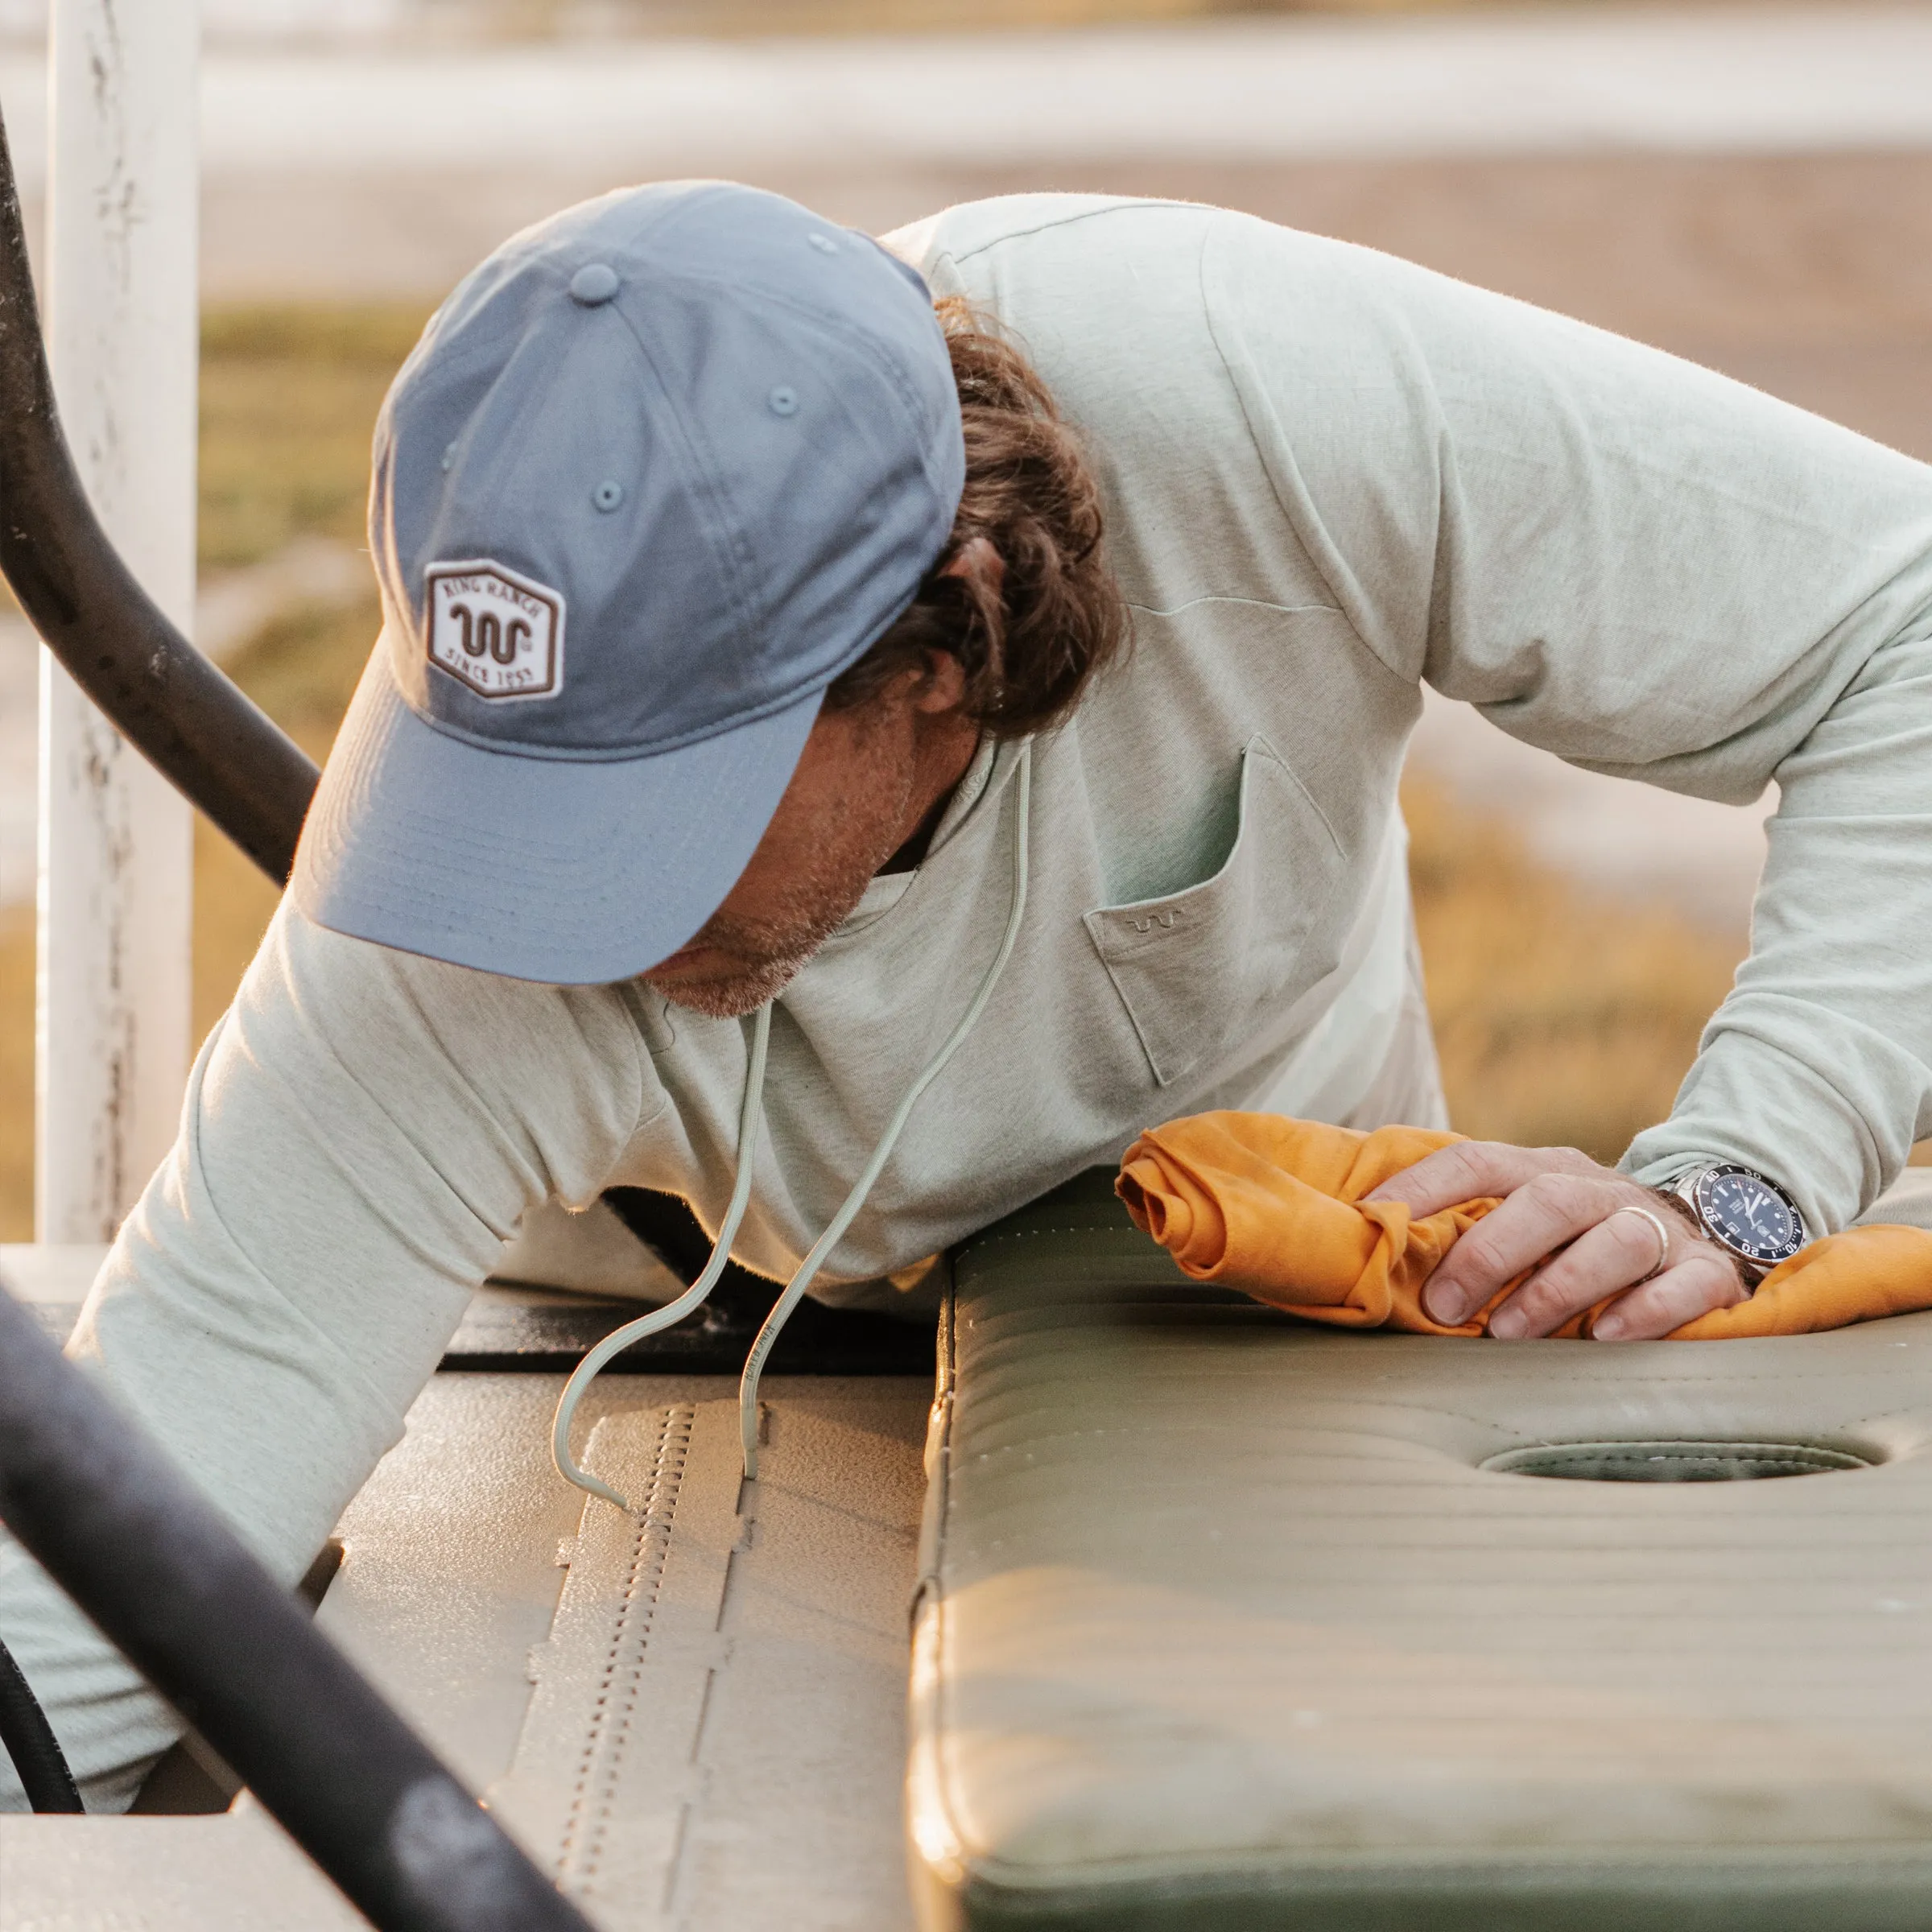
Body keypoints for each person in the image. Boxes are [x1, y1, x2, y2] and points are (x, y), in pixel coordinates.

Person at [4, 180, 1930, 1809]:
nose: (556, 918)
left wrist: (1746, 1174)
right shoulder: (437, 920)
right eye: (510, 796)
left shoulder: (1252, 394)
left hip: (1263, 1337)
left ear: (940, 662)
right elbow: (103, 1592)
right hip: (690, 1338)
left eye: (650, 821)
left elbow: (1895, 619)